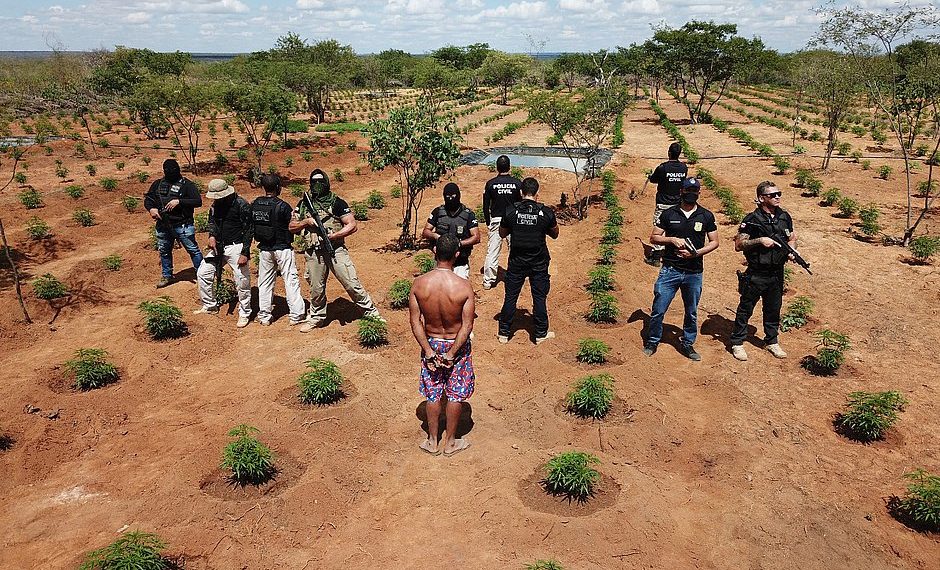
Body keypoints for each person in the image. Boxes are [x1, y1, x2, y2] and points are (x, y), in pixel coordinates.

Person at [290, 169, 382, 332]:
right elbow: (292, 226)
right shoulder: (303, 204)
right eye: (314, 181)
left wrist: (334, 236)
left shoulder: (337, 202)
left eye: (320, 181)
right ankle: (317, 317)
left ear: (326, 182)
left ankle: (371, 313)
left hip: (335, 249)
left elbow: (352, 225)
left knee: (351, 283)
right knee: (316, 288)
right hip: (314, 252)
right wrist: (306, 221)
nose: (317, 185)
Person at [408, 234, 475, 456]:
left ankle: (432, 441)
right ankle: (451, 443)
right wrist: (453, 352)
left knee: (433, 392)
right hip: (456, 344)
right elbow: (467, 326)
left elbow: (415, 322)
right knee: (455, 393)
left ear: (435, 251)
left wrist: (428, 351)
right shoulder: (464, 287)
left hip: (432, 342)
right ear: (457, 254)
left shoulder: (419, 284)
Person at [643, 178, 719, 361]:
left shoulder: (706, 216)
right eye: (687, 190)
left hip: (694, 272)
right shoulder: (669, 214)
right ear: (681, 191)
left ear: (699, 193)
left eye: (694, 190)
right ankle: (652, 341)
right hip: (670, 270)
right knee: (659, 308)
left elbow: (715, 242)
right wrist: (671, 239)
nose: (691, 193)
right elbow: (654, 237)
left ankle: (687, 343)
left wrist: (695, 253)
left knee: (691, 311)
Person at [729, 181, 797, 361]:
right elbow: (739, 244)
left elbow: (791, 237)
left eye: (779, 194)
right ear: (761, 198)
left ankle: (772, 341)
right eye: (772, 195)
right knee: (746, 308)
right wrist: (760, 240)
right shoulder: (751, 219)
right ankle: (737, 342)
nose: (777, 197)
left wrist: (792, 251)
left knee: (773, 308)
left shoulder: (784, 216)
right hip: (757, 272)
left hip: (777, 272)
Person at [497, 177, 559, 345]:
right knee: (539, 297)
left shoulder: (511, 211)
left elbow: (502, 233)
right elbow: (555, 234)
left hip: (516, 262)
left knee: (511, 297)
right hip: (538, 262)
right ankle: (540, 334)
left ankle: (504, 333)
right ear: (537, 193)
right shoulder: (546, 212)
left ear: (520, 192)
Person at [193, 179, 254, 328]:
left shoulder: (241, 205)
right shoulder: (215, 206)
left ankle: (245, 312)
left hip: (236, 246)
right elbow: (212, 222)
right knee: (203, 273)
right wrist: (212, 236)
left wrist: (245, 252)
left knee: (241, 280)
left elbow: (249, 229)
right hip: (219, 247)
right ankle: (210, 305)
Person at [251, 173, 306, 326]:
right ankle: (296, 315)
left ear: (263, 187)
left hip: (264, 249)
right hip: (283, 248)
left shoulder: (255, 204)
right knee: (290, 280)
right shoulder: (283, 206)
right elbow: (293, 226)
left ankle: (264, 316)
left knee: (264, 282)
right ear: (278, 187)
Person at [144, 159, 203, 288]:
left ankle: (202, 274)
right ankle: (167, 276)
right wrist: (151, 209)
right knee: (164, 251)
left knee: (193, 250)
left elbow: (198, 201)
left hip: (183, 224)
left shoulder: (187, 184)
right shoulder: (158, 184)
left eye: (173, 170)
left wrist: (179, 201)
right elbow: (148, 199)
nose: (171, 173)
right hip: (163, 225)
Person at [421, 182, 481, 280]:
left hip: (460, 263)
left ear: (459, 195)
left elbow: (476, 237)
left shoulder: (468, 215)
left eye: (453, 196)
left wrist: (458, 243)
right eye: (447, 196)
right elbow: (426, 231)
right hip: (440, 263)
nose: (450, 199)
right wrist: (437, 237)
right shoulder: (438, 212)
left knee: (460, 288)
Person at [482, 155, 522, 289]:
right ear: (509, 167)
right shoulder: (517, 183)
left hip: (496, 220)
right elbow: (521, 204)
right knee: (514, 250)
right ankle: (514, 277)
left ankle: (488, 281)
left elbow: (485, 205)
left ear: (497, 167)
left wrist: (488, 221)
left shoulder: (490, 184)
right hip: (512, 220)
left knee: (493, 250)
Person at [645, 142, 688, 267]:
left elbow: (653, 179)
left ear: (669, 153)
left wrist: (650, 176)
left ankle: (656, 256)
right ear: (679, 154)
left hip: (663, 203)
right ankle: (675, 253)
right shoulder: (683, 168)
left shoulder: (662, 167)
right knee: (675, 227)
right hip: (677, 204)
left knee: (659, 229)